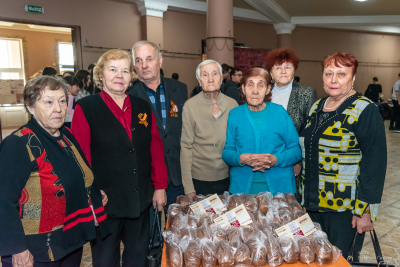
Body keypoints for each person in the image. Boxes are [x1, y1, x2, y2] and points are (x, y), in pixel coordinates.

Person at [71, 49, 168, 266]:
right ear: (101, 75)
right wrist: (91, 193)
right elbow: (80, 157)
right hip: (106, 202)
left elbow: (155, 148)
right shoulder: (86, 108)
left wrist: (160, 186)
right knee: (105, 261)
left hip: (140, 199)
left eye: (125, 70)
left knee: (138, 259)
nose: (119, 75)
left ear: (131, 77)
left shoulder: (143, 106)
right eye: (113, 69)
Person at [0, 76, 109, 267]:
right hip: (35, 250)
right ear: (31, 106)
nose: (58, 109)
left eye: (62, 101)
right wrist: (16, 248)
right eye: (49, 102)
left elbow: (77, 175)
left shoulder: (66, 135)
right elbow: (3, 200)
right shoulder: (19, 143)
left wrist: (91, 196)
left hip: (69, 241)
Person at [299, 52, 386, 260]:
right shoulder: (316, 107)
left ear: (353, 78)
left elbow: (374, 164)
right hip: (312, 206)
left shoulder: (365, 109)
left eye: (341, 74)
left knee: (339, 261)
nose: (334, 80)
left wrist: (365, 210)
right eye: (329, 73)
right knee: (315, 260)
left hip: (344, 211)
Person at [222, 68, 301, 195]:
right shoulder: (235, 114)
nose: (255, 91)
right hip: (243, 190)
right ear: (243, 88)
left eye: (260, 85)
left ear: (268, 89)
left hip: (279, 189)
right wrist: (240, 158)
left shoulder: (279, 113)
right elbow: (227, 151)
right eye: (250, 84)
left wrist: (276, 159)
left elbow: (296, 151)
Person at [128, 41, 188, 207]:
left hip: (178, 176)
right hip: (147, 179)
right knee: (152, 231)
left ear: (160, 61)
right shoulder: (129, 95)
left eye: (149, 59)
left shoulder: (180, 89)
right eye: (139, 60)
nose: (144, 65)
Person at [181, 60, 238, 198]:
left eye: (215, 74)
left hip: (227, 177)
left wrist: (235, 180)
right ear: (199, 81)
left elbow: (237, 144)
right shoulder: (190, 106)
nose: (211, 79)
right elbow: (186, 147)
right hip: (199, 179)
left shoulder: (233, 105)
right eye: (205, 75)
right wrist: (188, 186)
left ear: (221, 78)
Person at [266, 48, 317, 187]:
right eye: (278, 67)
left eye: (287, 67)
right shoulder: (262, 93)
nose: (283, 71)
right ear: (271, 72)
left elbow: (309, 132)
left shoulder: (306, 93)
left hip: (292, 162)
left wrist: (298, 161)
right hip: (264, 159)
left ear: (294, 70)